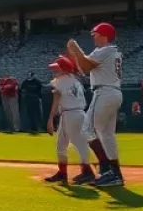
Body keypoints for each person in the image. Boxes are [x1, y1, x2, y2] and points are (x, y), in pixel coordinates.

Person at [66, 22, 125, 188]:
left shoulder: (105, 50)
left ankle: (106, 168)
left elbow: (85, 65)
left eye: (96, 34)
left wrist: (76, 48)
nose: (93, 36)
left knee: (86, 130)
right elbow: (84, 68)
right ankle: (115, 173)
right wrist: (77, 55)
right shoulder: (110, 51)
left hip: (104, 92)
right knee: (106, 135)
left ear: (104, 35)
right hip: (112, 92)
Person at [43, 56, 95, 185]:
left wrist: (50, 120)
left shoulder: (60, 81)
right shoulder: (75, 81)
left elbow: (56, 101)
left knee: (78, 143)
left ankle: (88, 172)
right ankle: (62, 173)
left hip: (71, 114)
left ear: (65, 69)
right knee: (62, 144)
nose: (55, 71)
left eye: (58, 68)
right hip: (75, 113)